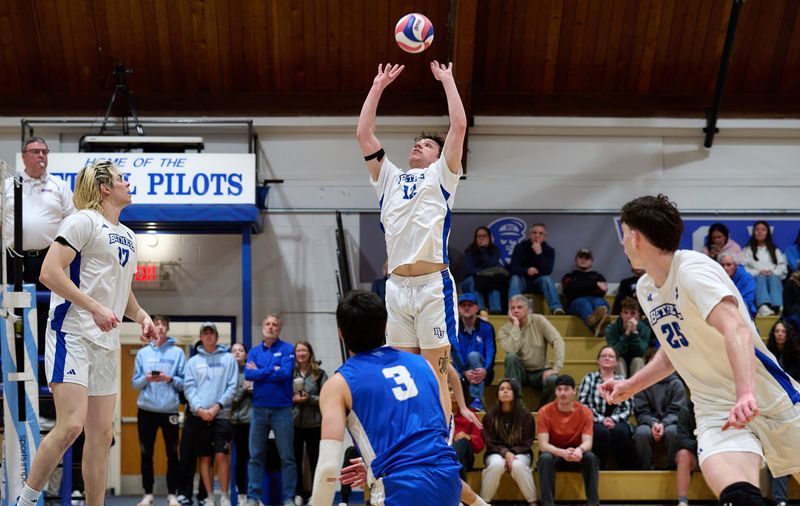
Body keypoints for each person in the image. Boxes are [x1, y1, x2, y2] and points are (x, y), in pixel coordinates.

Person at [600, 194, 800, 505]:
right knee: (738, 499)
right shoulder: (646, 289)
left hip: (767, 399)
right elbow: (675, 348)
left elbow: (736, 328)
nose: (623, 242)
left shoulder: (693, 270)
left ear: (636, 237)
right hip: (715, 411)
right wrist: (630, 385)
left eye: (624, 233)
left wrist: (746, 393)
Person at [15, 159, 157, 506]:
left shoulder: (127, 235)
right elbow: (49, 272)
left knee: (101, 434)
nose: (128, 184)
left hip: (106, 343)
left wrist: (140, 315)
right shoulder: (82, 221)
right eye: (122, 179)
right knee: (71, 426)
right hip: (72, 333)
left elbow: (121, 290)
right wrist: (94, 307)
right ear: (105, 188)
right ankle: (26, 501)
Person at [355, 61, 467, 425]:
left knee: (435, 375)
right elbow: (364, 134)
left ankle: (441, 448)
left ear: (439, 156)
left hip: (433, 286)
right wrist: (378, 86)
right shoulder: (389, 177)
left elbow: (459, 125)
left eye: (427, 144)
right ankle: (409, 445)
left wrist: (447, 81)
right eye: (417, 143)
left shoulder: (443, 175)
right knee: (402, 377)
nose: (419, 145)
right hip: (398, 289)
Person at [310, 290, 463, 506]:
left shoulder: (338, 385)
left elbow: (327, 468)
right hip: (448, 481)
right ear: (385, 326)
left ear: (341, 334)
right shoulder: (423, 365)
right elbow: (434, 432)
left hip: (401, 487)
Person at [3, 137, 75, 389]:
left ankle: (46, 383)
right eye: (35, 151)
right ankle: (15, 372)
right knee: (14, 312)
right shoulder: (9, 186)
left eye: (44, 151)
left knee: (48, 315)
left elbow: (72, 223)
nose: (41, 155)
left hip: (49, 257)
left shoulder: (59, 186)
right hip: (14, 258)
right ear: (24, 156)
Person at [131, 315, 186, 506]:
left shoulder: (178, 353)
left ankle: (172, 494)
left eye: (163, 325)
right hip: (146, 410)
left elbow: (184, 383)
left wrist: (169, 378)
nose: (160, 327)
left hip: (169, 410)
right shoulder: (142, 354)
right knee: (146, 453)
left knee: (172, 453)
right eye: (157, 324)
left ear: (168, 329)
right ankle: (148, 494)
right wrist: (147, 378)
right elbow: (135, 383)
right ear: (151, 328)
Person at [182, 323, 237, 506]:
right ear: (201, 337)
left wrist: (217, 407)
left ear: (216, 336)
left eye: (211, 333)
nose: (208, 336)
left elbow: (232, 386)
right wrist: (199, 409)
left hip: (221, 416)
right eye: (205, 333)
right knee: (204, 458)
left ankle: (224, 496)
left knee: (221, 455)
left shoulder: (228, 359)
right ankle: (210, 498)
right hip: (199, 416)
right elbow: (189, 388)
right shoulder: (193, 362)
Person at [244, 315, 296, 506]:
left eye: (274, 324)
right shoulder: (254, 351)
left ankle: (288, 497)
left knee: (287, 456)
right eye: (267, 324)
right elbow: (249, 374)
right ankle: (253, 497)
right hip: (259, 410)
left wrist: (261, 372)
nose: (271, 327)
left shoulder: (288, 348)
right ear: (263, 327)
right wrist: (270, 369)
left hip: (282, 409)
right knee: (255, 456)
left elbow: (285, 373)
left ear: (279, 329)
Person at [537, 375, 600, 506]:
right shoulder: (544, 412)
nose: (562, 393)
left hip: (576, 455)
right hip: (555, 455)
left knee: (591, 457)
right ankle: (547, 503)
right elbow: (543, 445)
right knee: (544, 458)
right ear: (555, 391)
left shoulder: (586, 412)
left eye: (566, 389)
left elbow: (588, 442)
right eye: (559, 389)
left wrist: (579, 450)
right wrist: (562, 453)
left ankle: (593, 503)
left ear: (573, 391)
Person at [498, 295, 565, 409]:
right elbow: (511, 350)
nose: (516, 310)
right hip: (519, 373)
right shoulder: (504, 330)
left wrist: (556, 368)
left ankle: (543, 409)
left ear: (528, 310)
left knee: (554, 380)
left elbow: (557, 340)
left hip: (540, 372)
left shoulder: (539, 320)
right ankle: (517, 405)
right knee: (511, 357)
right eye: (512, 308)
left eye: (519, 307)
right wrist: (515, 326)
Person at [480, 379, 537, 505]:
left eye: (509, 388)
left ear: (515, 393)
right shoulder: (490, 416)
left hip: (521, 452)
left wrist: (512, 453)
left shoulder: (526, 416)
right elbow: (489, 442)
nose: (505, 391)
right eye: (501, 389)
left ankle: (532, 502)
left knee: (518, 466)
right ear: (497, 394)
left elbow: (527, 442)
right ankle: (483, 502)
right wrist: (505, 453)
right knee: (496, 465)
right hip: (495, 452)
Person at [577, 346, 633, 469]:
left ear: (617, 362)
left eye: (611, 356)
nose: (607, 358)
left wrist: (613, 419)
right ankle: (598, 469)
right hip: (594, 420)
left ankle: (625, 470)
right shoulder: (589, 379)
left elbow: (628, 407)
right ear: (598, 360)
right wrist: (601, 419)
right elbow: (583, 404)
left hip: (618, 420)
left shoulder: (622, 381)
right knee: (601, 432)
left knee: (621, 432)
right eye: (604, 355)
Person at [765, 321, 800, 506]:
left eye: (783, 331)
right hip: (772, 408)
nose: (779, 334)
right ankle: (780, 501)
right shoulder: (767, 355)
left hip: (793, 405)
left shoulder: (795, 357)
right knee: (777, 453)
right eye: (776, 330)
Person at [631, 359, 686, 470]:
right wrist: (653, 423)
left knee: (673, 432)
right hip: (647, 423)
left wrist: (663, 424)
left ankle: (673, 469)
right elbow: (641, 411)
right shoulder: (642, 384)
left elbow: (678, 410)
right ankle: (645, 470)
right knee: (642, 433)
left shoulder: (676, 383)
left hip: (671, 422)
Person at [292, 341, 328, 506]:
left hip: (314, 424)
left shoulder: (319, 374)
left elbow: (327, 399)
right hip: (294, 424)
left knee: (315, 461)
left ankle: (315, 495)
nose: (301, 353)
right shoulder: (290, 374)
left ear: (310, 353)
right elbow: (283, 397)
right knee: (295, 460)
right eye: (298, 351)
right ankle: (298, 494)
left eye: (304, 350)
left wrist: (310, 399)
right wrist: (293, 399)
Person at [451, 292, 496, 411]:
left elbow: (491, 351)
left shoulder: (486, 327)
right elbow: (455, 353)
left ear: (476, 308)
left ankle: (477, 399)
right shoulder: (454, 329)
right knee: (451, 375)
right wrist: (465, 371)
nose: (466, 308)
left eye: (470, 305)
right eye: (463, 305)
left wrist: (485, 370)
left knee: (474, 356)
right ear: (459, 309)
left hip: (484, 372)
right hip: (462, 371)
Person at [508, 224, 564, 314]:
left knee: (547, 279)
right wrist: (527, 271)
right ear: (529, 235)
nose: (537, 235)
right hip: (523, 280)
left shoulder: (549, 250)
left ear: (545, 237)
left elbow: (547, 271)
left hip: (539, 282)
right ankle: (513, 308)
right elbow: (513, 268)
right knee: (515, 278)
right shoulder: (520, 247)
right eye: (534, 233)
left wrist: (539, 253)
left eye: (540, 233)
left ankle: (556, 308)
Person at [743, 220, 787, 316]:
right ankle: (763, 305)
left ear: (768, 233)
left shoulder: (774, 249)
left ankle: (778, 305)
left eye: (763, 230)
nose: (759, 232)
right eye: (757, 230)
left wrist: (773, 271)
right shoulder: (747, 250)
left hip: (772, 278)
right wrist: (758, 272)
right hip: (757, 279)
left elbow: (782, 266)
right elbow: (744, 268)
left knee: (774, 277)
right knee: (761, 277)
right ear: (753, 232)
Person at [562, 248, 611, 335]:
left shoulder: (598, 276)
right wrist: (595, 285)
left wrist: (580, 288)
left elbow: (601, 292)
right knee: (583, 302)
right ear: (576, 260)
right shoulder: (569, 276)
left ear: (591, 262)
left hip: (594, 301)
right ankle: (595, 323)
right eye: (581, 257)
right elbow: (570, 289)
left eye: (587, 258)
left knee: (600, 301)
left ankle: (597, 323)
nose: (583, 260)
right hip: (576, 304)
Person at [461, 226, 507, 314]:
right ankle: (480, 310)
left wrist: (484, 250)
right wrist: (484, 273)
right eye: (479, 236)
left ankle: (495, 310)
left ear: (489, 238)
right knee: (474, 281)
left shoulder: (495, 250)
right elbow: (469, 270)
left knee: (495, 283)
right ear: (475, 238)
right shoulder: (469, 251)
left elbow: (492, 264)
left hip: (488, 280)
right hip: (470, 281)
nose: (482, 238)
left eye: (484, 236)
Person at [604, 297, 651, 377]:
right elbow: (615, 352)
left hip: (636, 361)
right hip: (619, 361)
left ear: (638, 315)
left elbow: (640, 353)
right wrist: (627, 333)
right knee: (618, 360)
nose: (629, 316)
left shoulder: (645, 329)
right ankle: (622, 387)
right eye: (626, 313)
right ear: (621, 315)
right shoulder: (611, 328)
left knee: (638, 360)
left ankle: (637, 389)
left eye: (633, 313)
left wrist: (635, 333)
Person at [230, 343, 253, 506]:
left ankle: (254, 496)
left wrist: (254, 389)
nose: (237, 353)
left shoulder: (252, 371)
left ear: (246, 354)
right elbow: (230, 401)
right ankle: (242, 494)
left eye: (241, 351)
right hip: (234, 422)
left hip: (253, 422)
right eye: (234, 351)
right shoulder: (227, 374)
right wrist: (243, 390)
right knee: (240, 459)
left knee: (254, 459)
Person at [449, 390, 484, 481]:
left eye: (454, 389)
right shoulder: (438, 415)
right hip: (444, 456)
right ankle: (462, 492)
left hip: (465, 456)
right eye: (449, 389)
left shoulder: (470, 415)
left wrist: (468, 437)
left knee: (462, 442)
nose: (452, 392)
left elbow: (479, 446)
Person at [719, 253, 757, 319]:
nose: (725, 268)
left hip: (743, 311)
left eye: (728, 265)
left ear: (736, 265)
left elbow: (748, 301)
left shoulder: (747, 278)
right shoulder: (716, 277)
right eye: (722, 265)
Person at [675, 400, 698, 506]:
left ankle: (725, 498)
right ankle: (683, 501)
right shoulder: (686, 410)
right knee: (683, 454)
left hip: (713, 453)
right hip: (695, 454)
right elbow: (682, 439)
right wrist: (701, 444)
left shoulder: (716, 409)